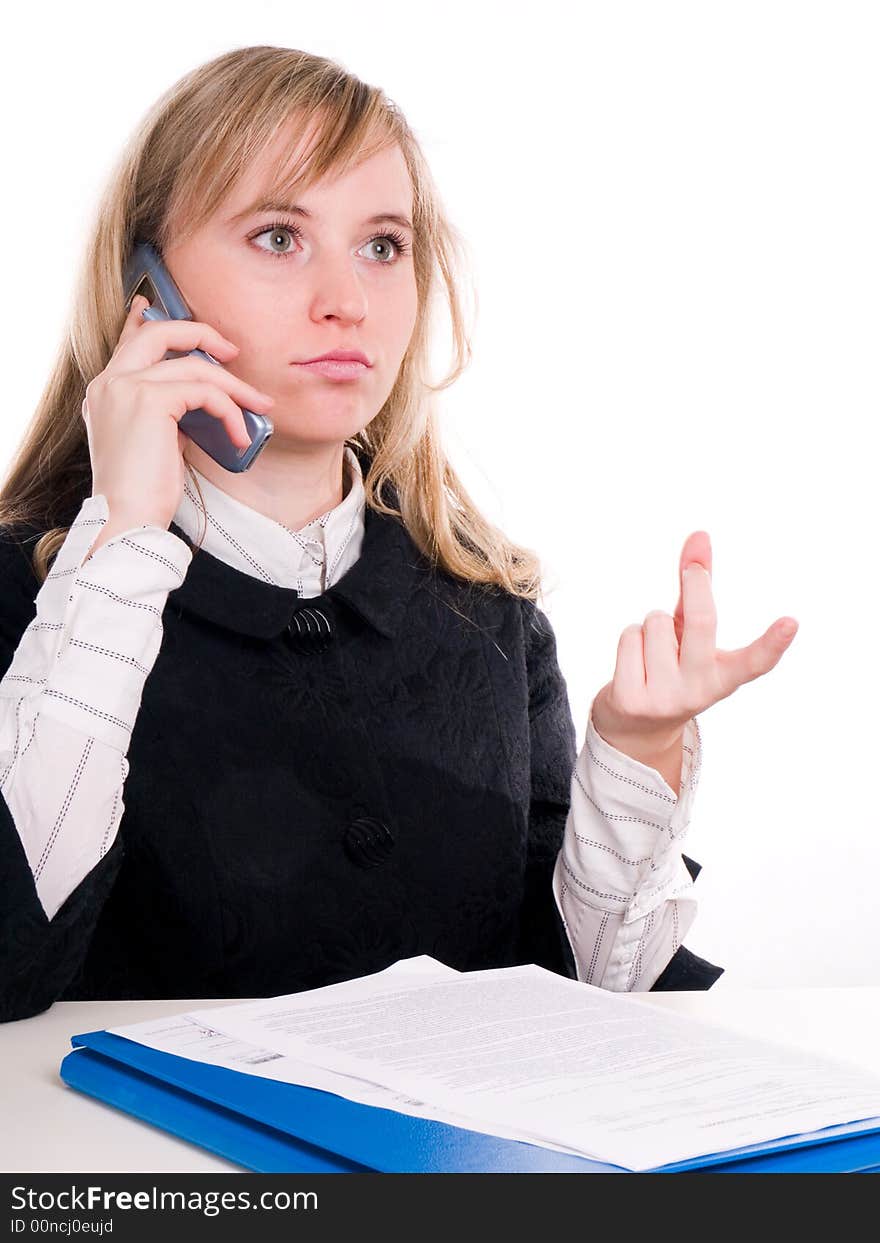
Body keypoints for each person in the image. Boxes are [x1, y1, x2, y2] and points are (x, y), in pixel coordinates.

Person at [0, 46, 796, 1024]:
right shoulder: (38, 598)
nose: (348, 300)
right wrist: (122, 533)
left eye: (382, 245)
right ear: (146, 290)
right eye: (279, 236)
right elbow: (8, 961)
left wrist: (635, 756)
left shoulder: (486, 611)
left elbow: (579, 1001)